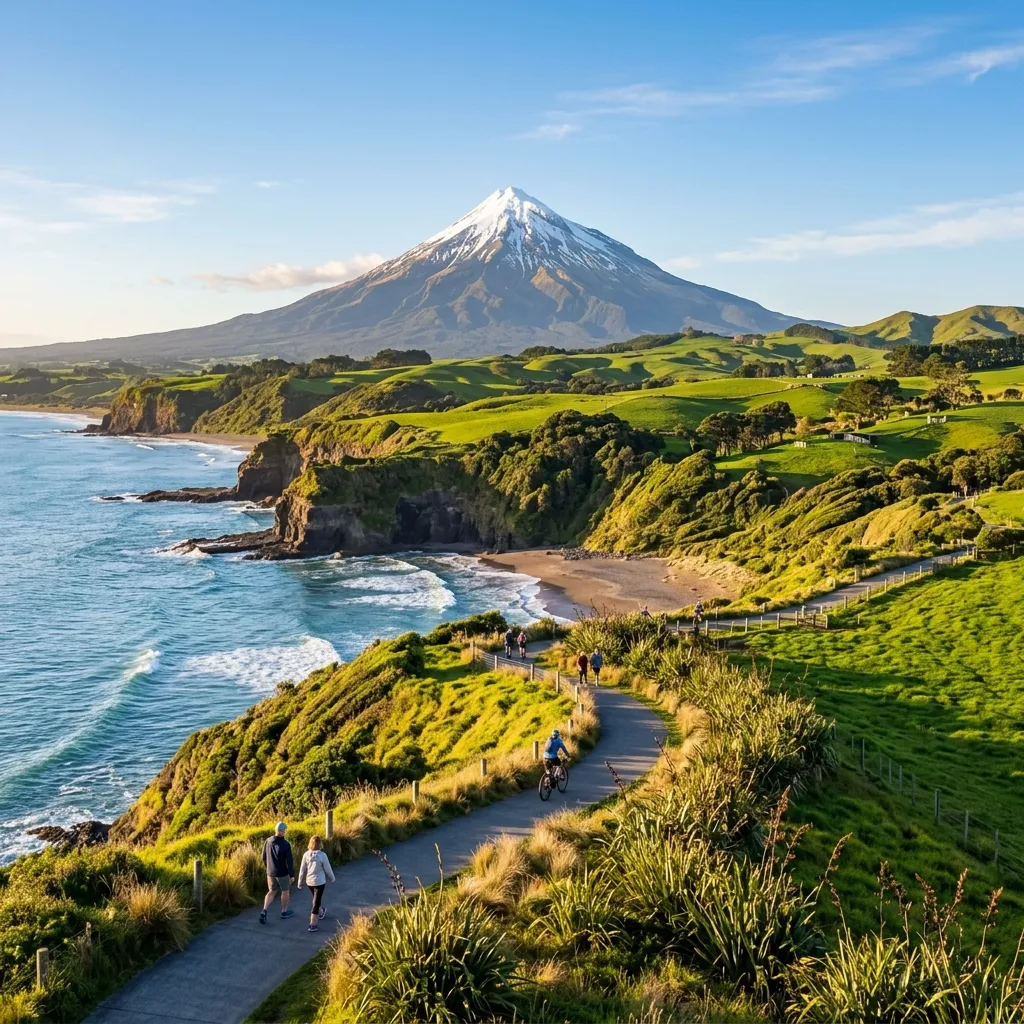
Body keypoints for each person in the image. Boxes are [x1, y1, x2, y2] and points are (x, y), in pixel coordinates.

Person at [297, 834, 336, 933]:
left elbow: (302, 869)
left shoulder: (306, 854)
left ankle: (321, 911)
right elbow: (328, 868)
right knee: (316, 902)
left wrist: (300, 881)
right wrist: (332, 878)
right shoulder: (322, 855)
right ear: (320, 844)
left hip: (309, 882)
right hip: (320, 882)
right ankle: (312, 924)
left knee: (316, 899)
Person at [259, 822, 295, 924]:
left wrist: (268, 867)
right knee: (285, 891)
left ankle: (264, 910)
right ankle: (284, 911)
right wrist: (292, 875)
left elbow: (263, 857)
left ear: (276, 830)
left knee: (272, 891)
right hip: (282, 873)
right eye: (284, 830)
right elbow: (289, 861)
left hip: (270, 872)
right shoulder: (286, 844)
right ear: (283, 831)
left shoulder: (268, 841)